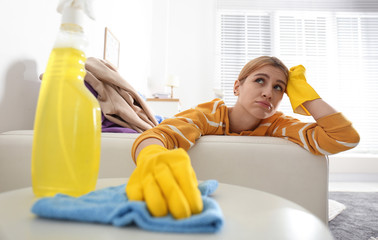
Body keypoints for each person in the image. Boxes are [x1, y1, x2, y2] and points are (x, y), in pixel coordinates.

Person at [125, 56, 360, 220]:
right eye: (260, 80)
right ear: (237, 86)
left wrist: (305, 95)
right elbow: (159, 135)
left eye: (279, 87)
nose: (269, 92)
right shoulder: (207, 115)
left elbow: (344, 138)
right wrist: (153, 158)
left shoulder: (277, 125)